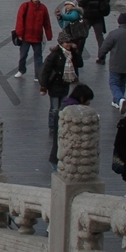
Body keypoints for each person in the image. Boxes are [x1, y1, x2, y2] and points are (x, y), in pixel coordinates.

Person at [39, 33, 77, 162]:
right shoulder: (55, 55)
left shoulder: (72, 54)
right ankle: (52, 126)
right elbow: (46, 70)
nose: (68, 44)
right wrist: (43, 86)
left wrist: (76, 53)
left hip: (65, 84)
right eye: (66, 42)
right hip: (54, 85)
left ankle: (59, 124)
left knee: (62, 107)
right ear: (61, 43)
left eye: (69, 42)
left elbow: (80, 64)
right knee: (55, 108)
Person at [97, 12, 126, 112]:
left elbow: (105, 47)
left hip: (115, 63)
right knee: (122, 83)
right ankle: (117, 102)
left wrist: (101, 56)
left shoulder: (114, 34)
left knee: (113, 83)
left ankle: (120, 99)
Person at [12, 0, 52, 78]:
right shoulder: (25, 6)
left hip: (37, 37)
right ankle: (21, 70)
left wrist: (49, 35)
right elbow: (20, 20)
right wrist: (19, 34)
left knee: (38, 57)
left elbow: (46, 22)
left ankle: (38, 75)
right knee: (23, 55)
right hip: (26, 36)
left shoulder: (43, 8)